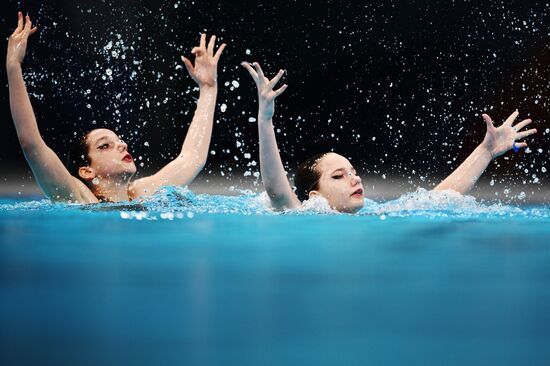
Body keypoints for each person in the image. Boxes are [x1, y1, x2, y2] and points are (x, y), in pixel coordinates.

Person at [242, 61, 537, 213]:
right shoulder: (303, 216)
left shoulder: (376, 213)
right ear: (314, 197)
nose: (355, 179)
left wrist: (485, 151)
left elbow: (440, 198)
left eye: (353, 172)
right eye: (338, 176)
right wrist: (265, 118)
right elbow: (277, 192)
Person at [7, 13, 226, 203]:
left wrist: (208, 89)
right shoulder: (80, 198)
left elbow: (192, 158)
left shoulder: (142, 193)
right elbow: (31, 144)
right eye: (105, 146)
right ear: (86, 171)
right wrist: (13, 66)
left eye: (118, 140)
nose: (122, 145)